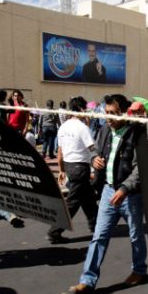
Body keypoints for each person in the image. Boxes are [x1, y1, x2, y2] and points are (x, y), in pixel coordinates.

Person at [69, 94, 146, 294]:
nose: (108, 117)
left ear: (124, 112)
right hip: (108, 191)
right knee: (99, 237)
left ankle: (139, 271)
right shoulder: (104, 130)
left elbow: (141, 168)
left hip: (131, 196)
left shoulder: (136, 133)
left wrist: (125, 189)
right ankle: (87, 280)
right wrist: (94, 159)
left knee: (136, 236)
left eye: (113, 113)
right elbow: (94, 150)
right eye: (106, 113)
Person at [47, 97, 99, 244]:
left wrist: (62, 170)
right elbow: (92, 148)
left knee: (88, 198)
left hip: (69, 166)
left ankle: (95, 225)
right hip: (80, 167)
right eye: (85, 109)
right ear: (81, 109)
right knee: (72, 203)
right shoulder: (82, 128)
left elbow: (60, 152)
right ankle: (54, 232)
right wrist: (97, 164)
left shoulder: (63, 127)